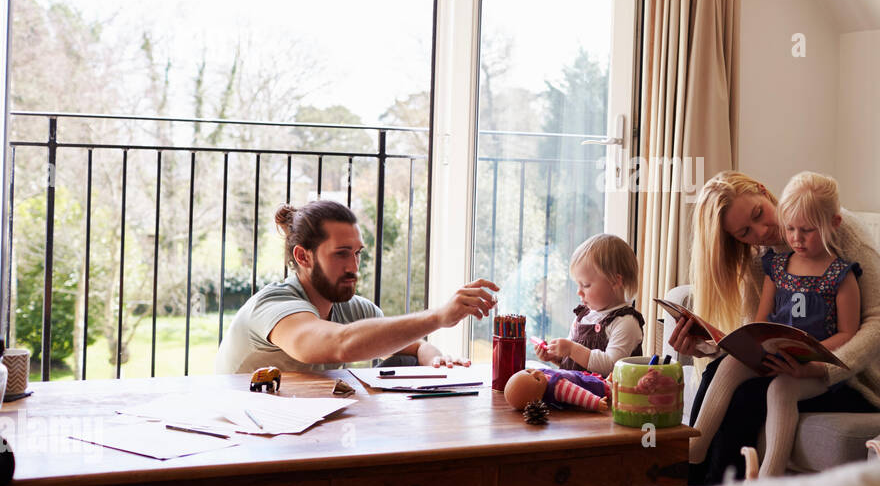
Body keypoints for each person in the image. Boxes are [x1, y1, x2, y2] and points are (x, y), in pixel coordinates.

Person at [668, 171, 880, 485]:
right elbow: (758, 330)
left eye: (758, 214)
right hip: (790, 363)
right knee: (717, 371)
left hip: (854, 376)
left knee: (748, 396)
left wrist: (822, 370)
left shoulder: (836, 230)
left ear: (763, 191)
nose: (762, 231)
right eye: (745, 233)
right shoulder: (762, 259)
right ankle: (688, 471)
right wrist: (704, 345)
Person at [214, 200, 497, 373]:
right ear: (303, 256)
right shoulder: (274, 306)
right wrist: (438, 316)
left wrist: (434, 360)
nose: (353, 266)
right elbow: (340, 343)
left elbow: (409, 345)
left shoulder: (351, 309)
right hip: (239, 437)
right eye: (341, 253)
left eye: (357, 253)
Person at [535, 233, 645, 375]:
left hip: (603, 396)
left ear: (615, 281)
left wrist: (572, 349)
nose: (579, 292)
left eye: (586, 285)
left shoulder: (626, 323)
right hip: (574, 391)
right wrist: (556, 356)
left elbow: (611, 366)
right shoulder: (583, 316)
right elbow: (573, 361)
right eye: (578, 285)